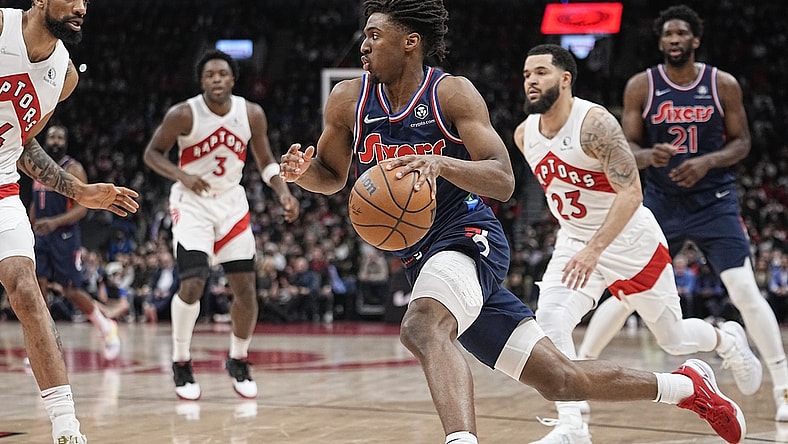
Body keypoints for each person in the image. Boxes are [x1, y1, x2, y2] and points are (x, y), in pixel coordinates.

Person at [279, 2, 747, 443]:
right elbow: (335, 177)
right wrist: (305, 174)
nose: (363, 44)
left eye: (375, 35)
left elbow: (502, 179)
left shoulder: (450, 93)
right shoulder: (347, 100)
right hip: (422, 262)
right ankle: (687, 386)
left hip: (467, 237)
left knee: (421, 327)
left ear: (410, 41)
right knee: (561, 380)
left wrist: (441, 164)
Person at [513, 43, 760, 444]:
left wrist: (596, 248)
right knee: (551, 321)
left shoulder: (595, 124)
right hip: (575, 242)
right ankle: (572, 426)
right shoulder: (525, 135)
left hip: (629, 241)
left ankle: (725, 339)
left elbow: (631, 193)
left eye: (540, 72)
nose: (531, 81)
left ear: (564, 78)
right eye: (526, 75)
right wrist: (582, 243)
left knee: (673, 338)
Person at [578, 4, 788, 422]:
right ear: (661, 42)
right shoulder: (641, 86)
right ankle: (580, 374)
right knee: (624, 296)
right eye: (667, 35)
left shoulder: (721, 83)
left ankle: (783, 389)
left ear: (695, 40)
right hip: (659, 203)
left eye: (681, 34)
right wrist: (648, 155)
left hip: (714, 201)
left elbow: (743, 143)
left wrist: (708, 161)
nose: (674, 40)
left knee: (744, 290)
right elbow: (627, 151)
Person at [0, 1, 139, 442]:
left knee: (25, 286)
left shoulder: (65, 76)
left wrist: (80, 192)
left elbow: (22, 144)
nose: (82, 6)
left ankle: (66, 426)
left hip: (2, 188)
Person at [143, 49, 299, 401]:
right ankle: (181, 360)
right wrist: (181, 174)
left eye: (222, 74)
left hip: (231, 204)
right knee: (194, 282)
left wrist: (284, 193)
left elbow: (266, 161)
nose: (216, 79)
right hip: (191, 203)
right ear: (202, 81)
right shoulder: (183, 113)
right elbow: (151, 154)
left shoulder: (252, 114)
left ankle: (238, 358)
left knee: (246, 290)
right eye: (209, 74)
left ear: (232, 79)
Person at [29, 125, 121, 360]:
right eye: (52, 137)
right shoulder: (38, 167)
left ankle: (105, 326)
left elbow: (83, 208)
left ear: (66, 142)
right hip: (41, 235)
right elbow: (36, 202)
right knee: (39, 291)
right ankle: (44, 346)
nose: (56, 141)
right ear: (45, 141)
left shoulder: (73, 168)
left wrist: (54, 222)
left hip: (65, 236)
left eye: (60, 137)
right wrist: (31, 225)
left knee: (71, 290)